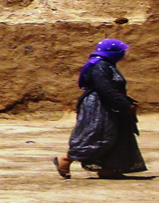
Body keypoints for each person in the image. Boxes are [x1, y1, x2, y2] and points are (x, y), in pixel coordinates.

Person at [54, 38, 147, 179]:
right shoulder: (100, 66)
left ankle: (107, 168)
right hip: (99, 106)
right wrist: (124, 104)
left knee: (116, 135)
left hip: (108, 104)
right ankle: (66, 160)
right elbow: (105, 87)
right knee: (98, 135)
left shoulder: (106, 65)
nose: (122, 54)